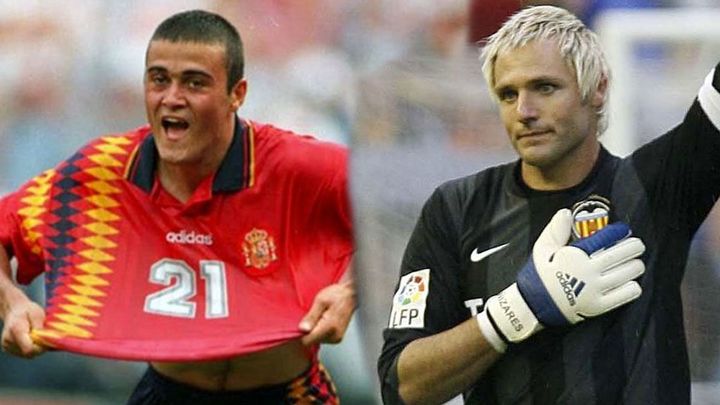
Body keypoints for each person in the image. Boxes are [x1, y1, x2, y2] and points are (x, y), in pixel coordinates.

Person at [0, 9, 355, 404]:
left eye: (194, 83)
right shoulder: (104, 171)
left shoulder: (295, 166)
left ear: (237, 94)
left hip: (287, 393)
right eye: (159, 80)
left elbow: (398, 215)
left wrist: (350, 291)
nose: (172, 98)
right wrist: (12, 303)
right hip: (167, 393)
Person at [379, 5, 720, 405]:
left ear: (598, 89)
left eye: (544, 88)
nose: (524, 111)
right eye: (508, 94)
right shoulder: (455, 209)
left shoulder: (656, 187)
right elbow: (402, 387)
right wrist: (516, 311)